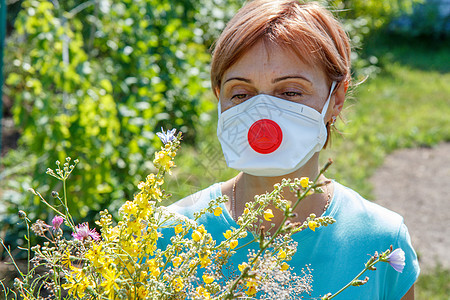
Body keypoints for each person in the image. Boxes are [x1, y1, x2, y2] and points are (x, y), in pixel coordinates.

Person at [168, 0, 420, 298]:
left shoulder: (381, 244)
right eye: (241, 94)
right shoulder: (167, 235)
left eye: (290, 92)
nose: (261, 113)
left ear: (336, 99)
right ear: (218, 97)